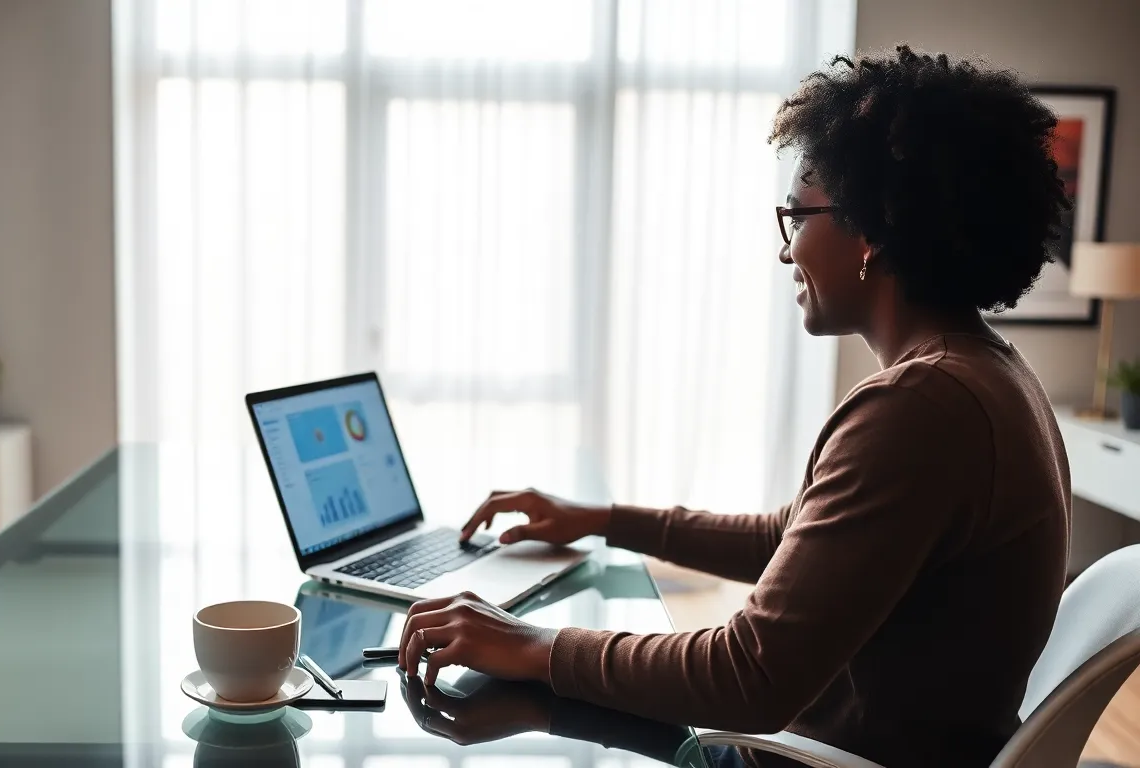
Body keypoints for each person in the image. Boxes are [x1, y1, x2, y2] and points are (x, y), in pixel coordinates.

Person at [395, 46, 1071, 768]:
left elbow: (746, 676)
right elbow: (790, 539)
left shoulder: (921, 407)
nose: (787, 253)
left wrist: (530, 644)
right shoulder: (985, 373)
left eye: (796, 216)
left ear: (871, 232)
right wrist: (601, 520)